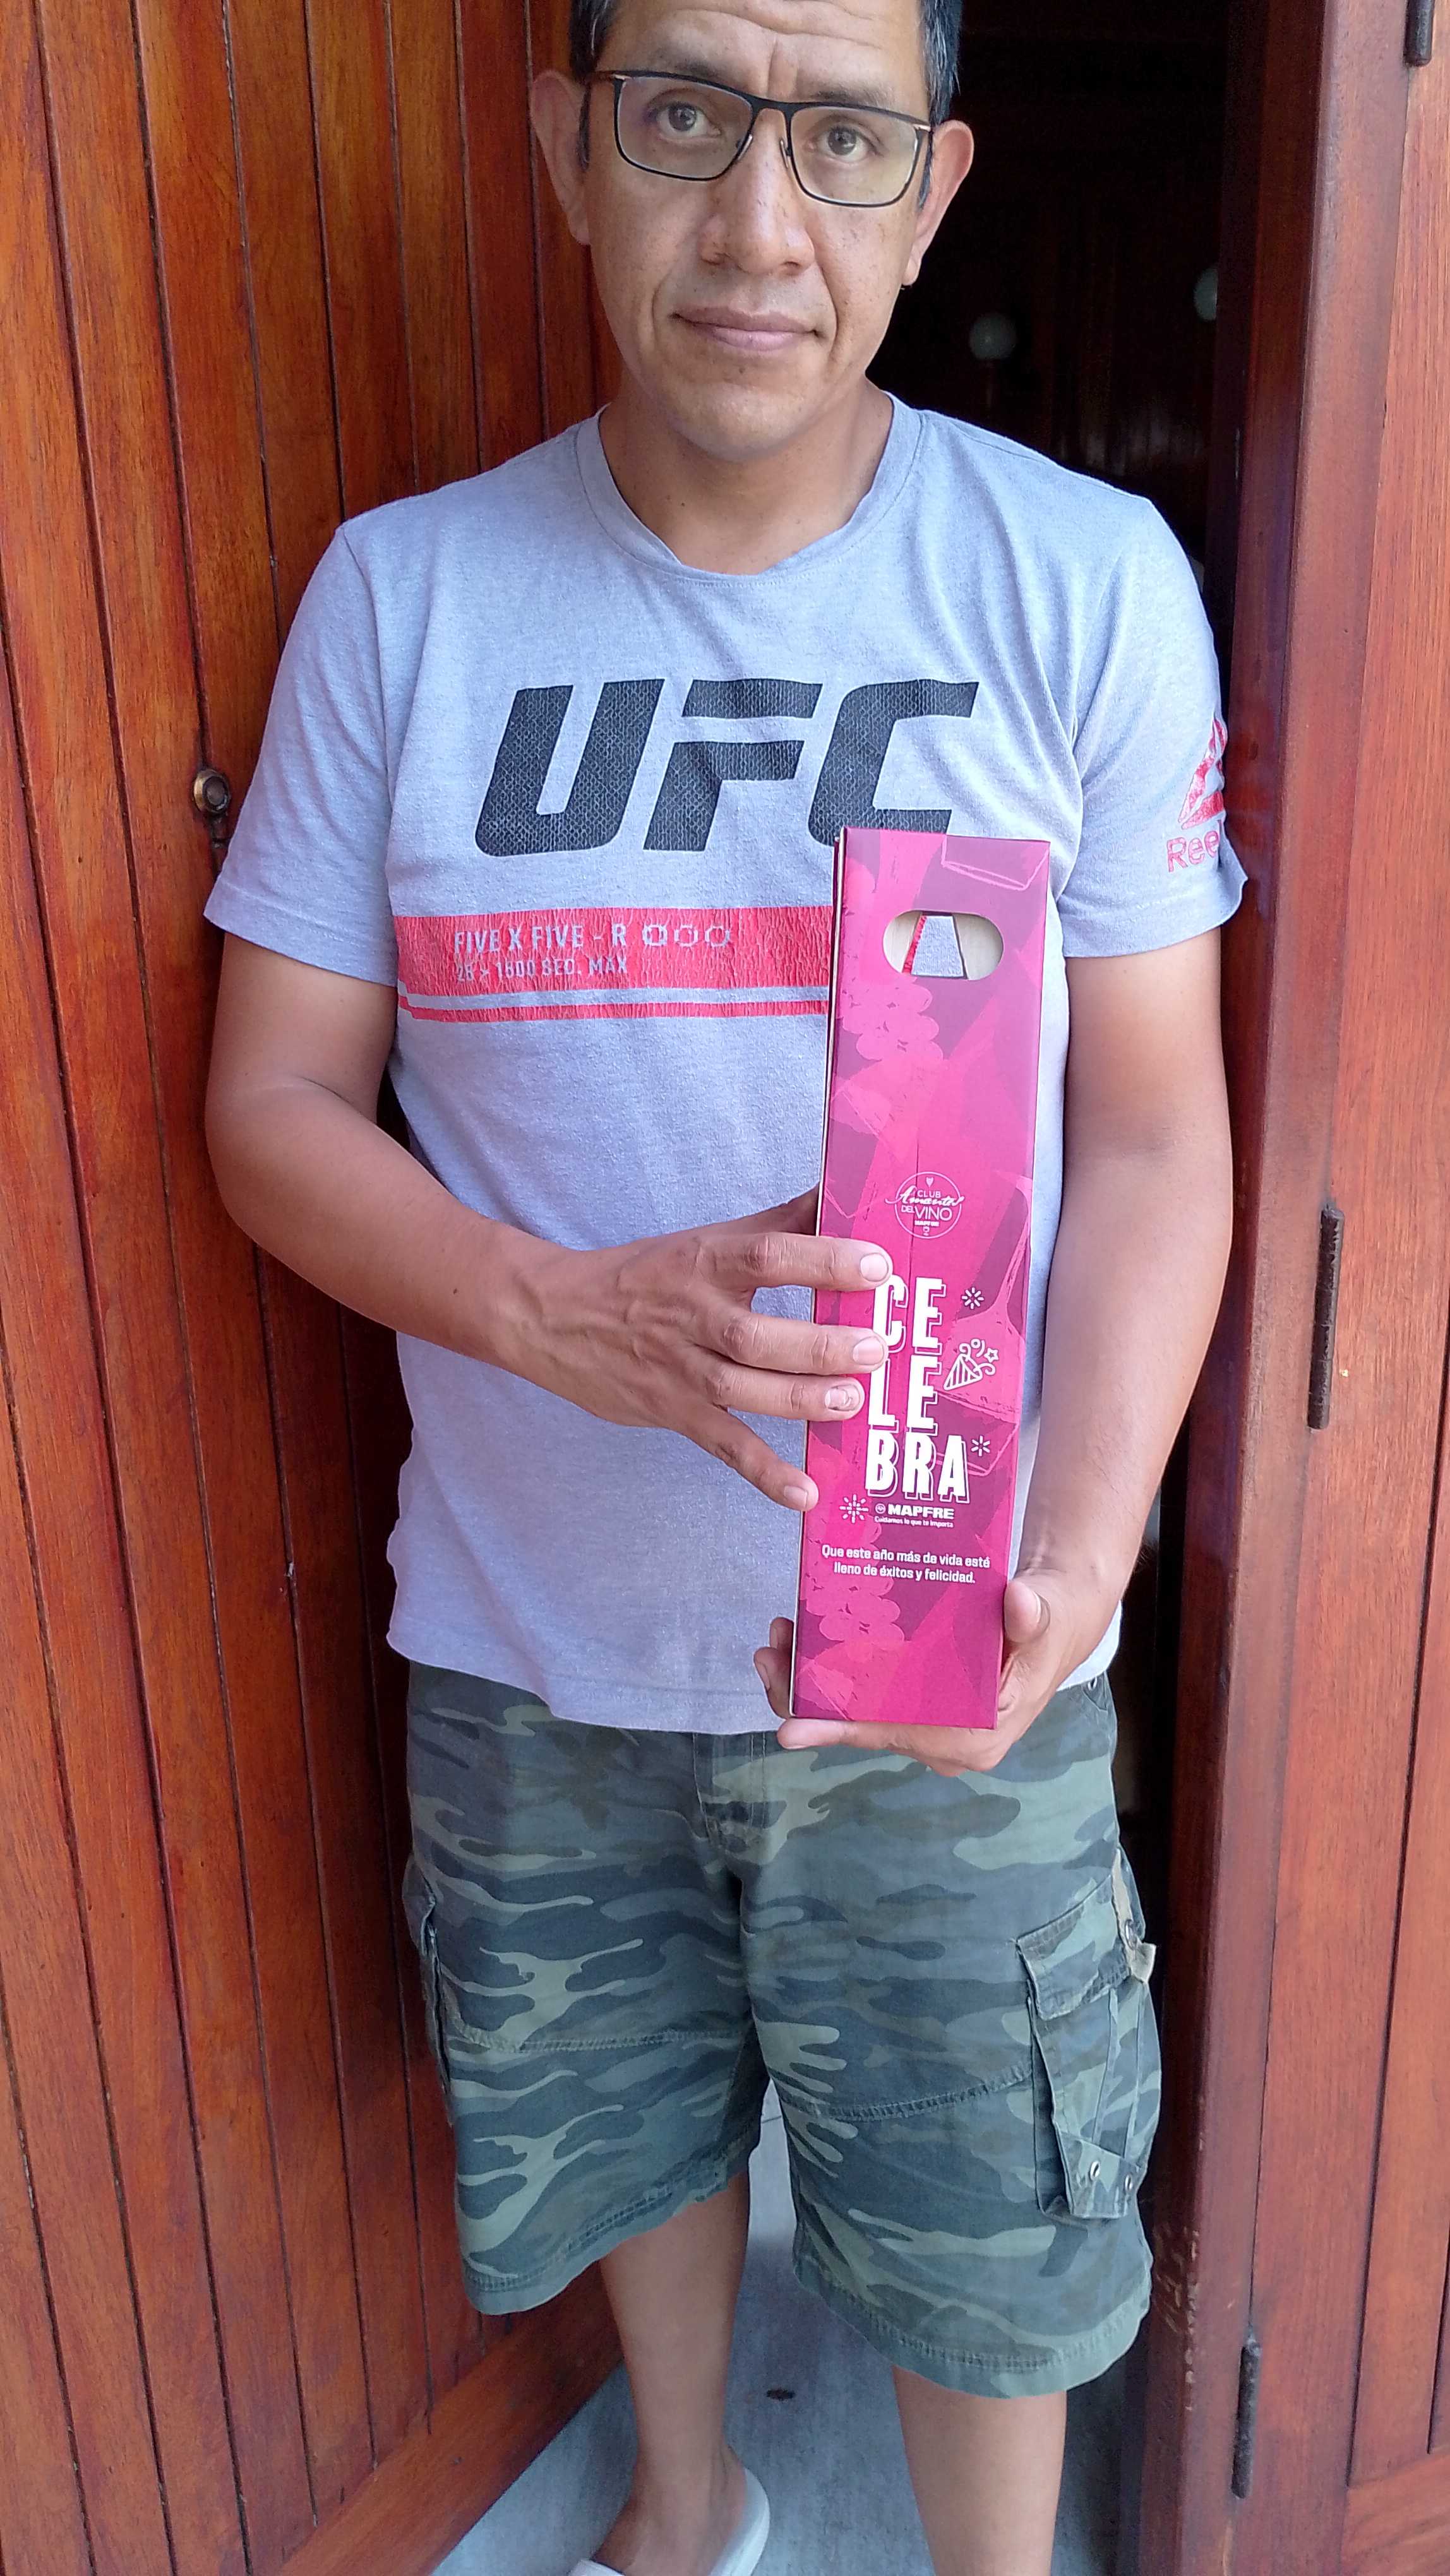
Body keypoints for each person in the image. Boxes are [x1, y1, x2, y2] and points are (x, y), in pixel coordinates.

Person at [203, 0, 1242, 2568]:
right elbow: (270, 1106)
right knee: (629, 2133)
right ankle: (687, 2508)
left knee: (992, 2220)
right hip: (534, 1631)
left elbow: (1152, 1130)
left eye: (839, 136)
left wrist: (1077, 1557)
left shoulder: (1080, 584)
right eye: (680, 116)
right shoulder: (403, 600)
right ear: (569, 147)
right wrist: (560, 1317)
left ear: (933, 189)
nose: (757, 223)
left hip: (956, 1644)